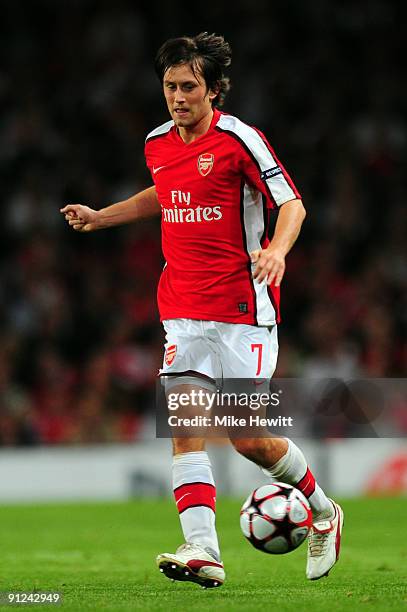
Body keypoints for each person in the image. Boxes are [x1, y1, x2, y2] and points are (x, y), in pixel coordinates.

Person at [61, 32, 344, 589]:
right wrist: (102, 217)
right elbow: (165, 193)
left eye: (189, 86)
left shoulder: (240, 140)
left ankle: (327, 512)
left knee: (247, 437)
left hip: (242, 308)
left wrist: (276, 251)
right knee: (186, 427)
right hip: (182, 310)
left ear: (213, 90)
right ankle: (203, 550)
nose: (177, 96)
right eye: (169, 86)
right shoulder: (157, 143)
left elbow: (291, 202)